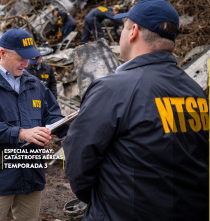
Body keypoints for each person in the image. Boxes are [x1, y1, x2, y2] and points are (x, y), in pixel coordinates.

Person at [63, 0, 209, 220]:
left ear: (133, 32)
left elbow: (78, 164)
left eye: (124, 26)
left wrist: (102, 199)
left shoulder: (112, 89)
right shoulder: (196, 92)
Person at [0, 28, 66, 221]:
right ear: (3, 53)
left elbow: (53, 116)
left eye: (29, 58)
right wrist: (21, 133)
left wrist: (68, 123)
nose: (26, 63)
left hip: (32, 176)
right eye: (21, 58)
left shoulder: (35, 85)